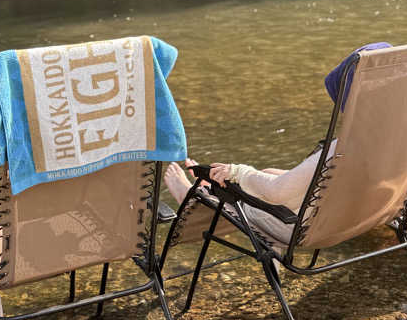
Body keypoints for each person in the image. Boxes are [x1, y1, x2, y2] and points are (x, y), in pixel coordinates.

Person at [164, 43, 391, 241]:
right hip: (359, 219)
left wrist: (237, 172)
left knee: (242, 191)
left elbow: (277, 193)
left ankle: (198, 197)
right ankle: (212, 188)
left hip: (303, 230)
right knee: (268, 173)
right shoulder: (402, 143)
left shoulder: (345, 148)